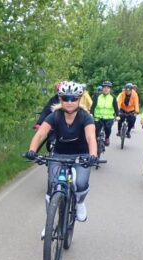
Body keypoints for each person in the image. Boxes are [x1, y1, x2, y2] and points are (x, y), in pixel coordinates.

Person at [25, 81, 98, 228]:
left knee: (80, 184)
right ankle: (50, 223)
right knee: (52, 186)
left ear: (79, 99)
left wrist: (93, 155)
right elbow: (40, 135)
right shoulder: (55, 116)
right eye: (65, 98)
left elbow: (91, 138)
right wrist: (32, 150)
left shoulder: (86, 117)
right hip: (58, 154)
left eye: (73, 99)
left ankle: (80, 203)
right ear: (60, 99)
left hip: (81, 155)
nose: (69, 102)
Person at [35, 81, 63, 152]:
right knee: (50, 142)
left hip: (71, 130)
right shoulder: (53, 100)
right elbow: (46, 111)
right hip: (55, 128)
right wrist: (39, 123)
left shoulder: (76, 106)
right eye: (59, 91)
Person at [90, 80, 119, 147]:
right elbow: (93, 106)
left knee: (108, 128)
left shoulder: (113, 97)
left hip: (109, 118)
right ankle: (94, 145)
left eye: (108, 88)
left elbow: (116, 108)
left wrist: (117, 115)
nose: (106, 89)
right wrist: (91, 113)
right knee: (96, 132)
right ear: (102, 88)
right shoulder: (97, 96)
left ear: (110, 89)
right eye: (104, 87)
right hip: (98, 117)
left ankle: (107, 138)